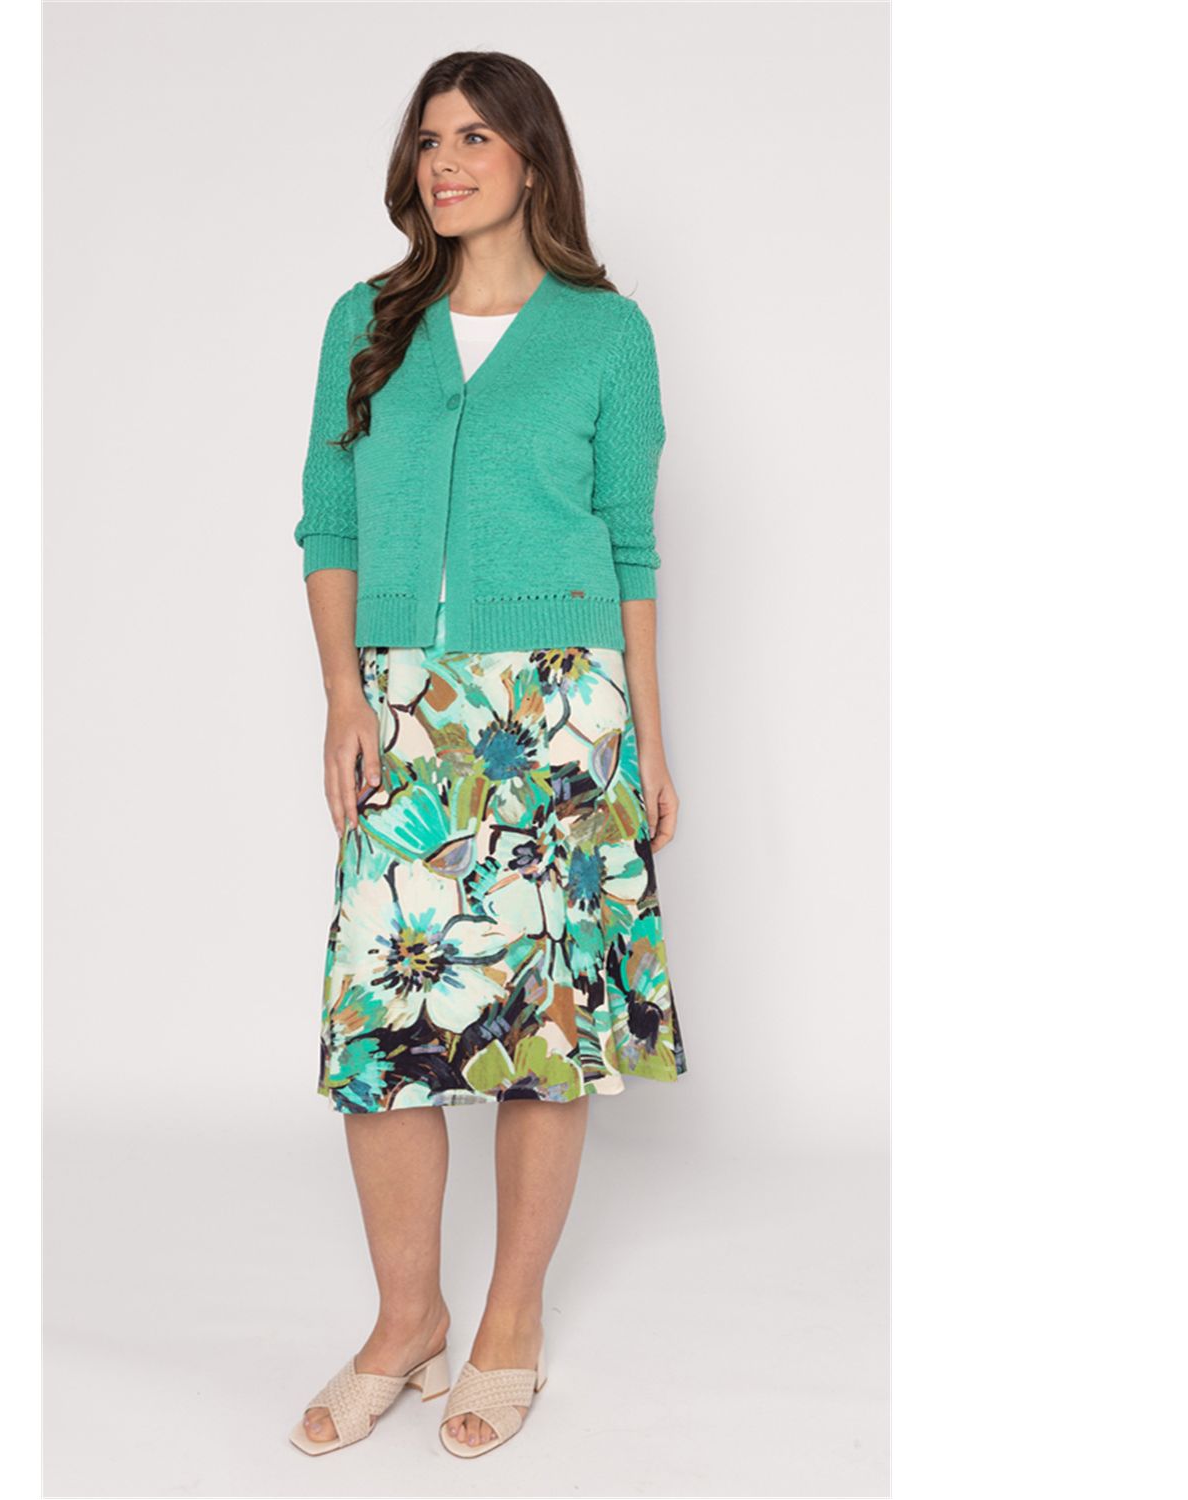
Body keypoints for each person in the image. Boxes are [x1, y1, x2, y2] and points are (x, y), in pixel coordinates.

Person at [289, 50, 688, 1460]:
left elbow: (632, 546)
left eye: (473, 137)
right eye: (428, 139)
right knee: (381, 1032)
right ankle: (408, 1321)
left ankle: (510, 1321)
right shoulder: (367, 319)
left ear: (531, 157)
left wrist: (649, 741)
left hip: (563, 716)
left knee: (539, 1035)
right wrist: (343, 698)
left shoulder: (606, 332)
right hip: (404, 705)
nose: (445, 162)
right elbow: (329, 520)